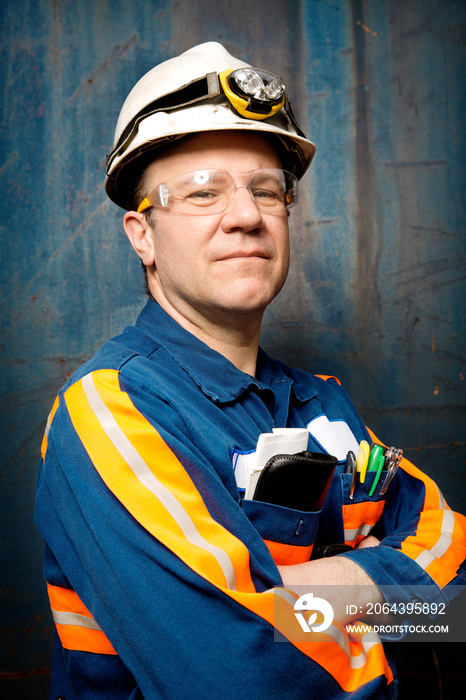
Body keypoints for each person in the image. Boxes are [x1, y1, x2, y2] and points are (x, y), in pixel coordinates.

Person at [35, 42, 466, 699]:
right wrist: (382, 587)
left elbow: (456, 607)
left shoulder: (325, 406)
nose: (245, 216)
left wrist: (299, 595)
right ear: (141, 235)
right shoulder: (109, 413)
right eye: (203, 193)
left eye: (268, 190)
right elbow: (241, 675)